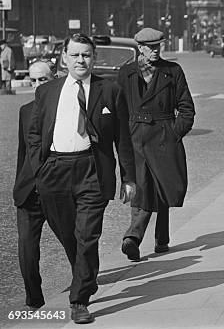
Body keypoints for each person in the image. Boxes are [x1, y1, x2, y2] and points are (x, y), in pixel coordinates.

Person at [28, 33, 136, 324]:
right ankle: (87, 273)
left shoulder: (110, 90)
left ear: (94, 57)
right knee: (67, 234)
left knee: (87, 235)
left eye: (86, 55)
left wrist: (129, 178)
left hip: (91, 170)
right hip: (54, 171)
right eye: (75, 55)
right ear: (64, 57)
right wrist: (39, 169)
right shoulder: (47, 91)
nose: (80, 60)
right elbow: (36, 133)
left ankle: (79, 299)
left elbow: (122, 139)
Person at [119, 28, 195, 261]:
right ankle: (133, 238)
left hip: (163, 136)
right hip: (135, 137)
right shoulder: (126, 73)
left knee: (162, 186)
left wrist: (174, 132)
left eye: (158, 46)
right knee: (141, 185)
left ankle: (161, 238)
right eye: (150, 47)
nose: (155, 51)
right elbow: (118, 107)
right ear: (139, 48)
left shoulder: (172, 71)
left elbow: (187, 108)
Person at [13, 62, 58, 310]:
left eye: (43, 80)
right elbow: (23, 153)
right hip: (29, 192)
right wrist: (20, 184)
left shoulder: (67, 108)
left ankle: (84, 282)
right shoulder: (25, 110)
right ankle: (34, 299)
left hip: (58, 189)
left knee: (75, 240)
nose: (38, 85)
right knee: (26, 249)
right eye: (34, 81)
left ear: (55, 79)